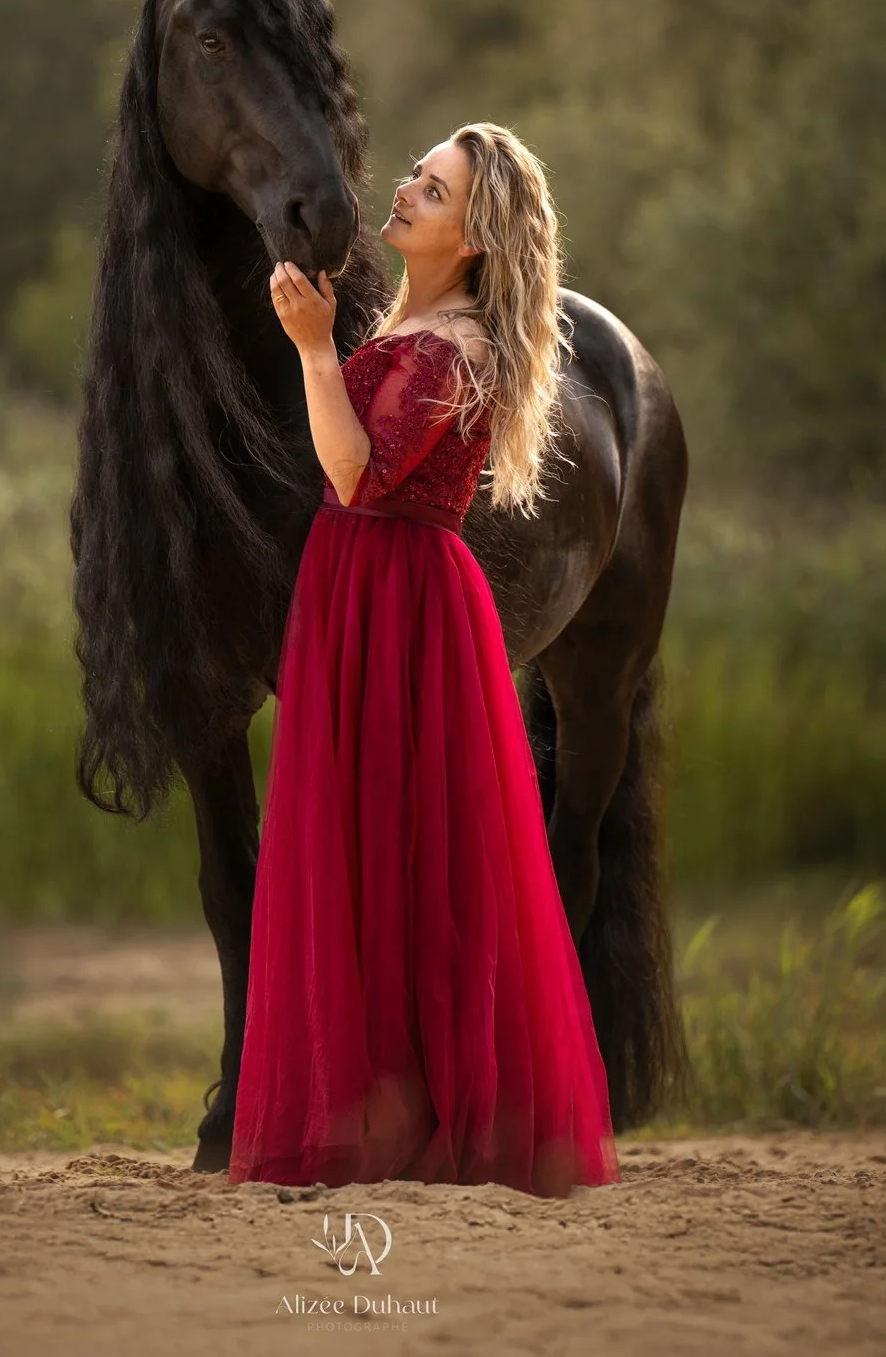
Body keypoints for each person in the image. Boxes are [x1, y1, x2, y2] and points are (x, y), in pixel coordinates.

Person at [228, 122, 620, 1200]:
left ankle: (422, 1115)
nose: (403, 191)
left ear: (475, 237)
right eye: (415, 175)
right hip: (360, 589)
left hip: (399, 597)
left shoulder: (460, 346)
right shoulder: (416, 320)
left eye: (431, 191)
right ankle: (380, 1104)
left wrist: (313, 351)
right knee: (362, 844)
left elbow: (354, 476)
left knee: (410, 848)